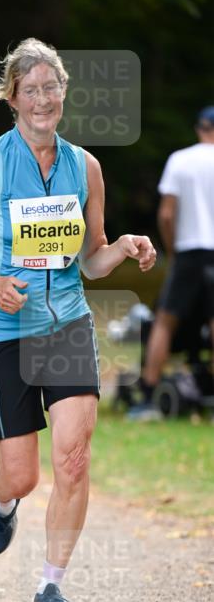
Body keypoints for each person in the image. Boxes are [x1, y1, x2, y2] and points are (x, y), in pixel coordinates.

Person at [0, 38, 156, 602]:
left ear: (63, 93)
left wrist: (123, 247)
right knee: (24, 475)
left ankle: (50, 589)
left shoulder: (85, 167)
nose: (41, 100)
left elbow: (91, 259)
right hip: (2, 330)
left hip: (67, 327)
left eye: (50, 88)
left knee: (74, 460)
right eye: (29, 90)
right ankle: (2, 498)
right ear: (11, 98)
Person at [128, 105, 214, 420]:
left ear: (199, 128)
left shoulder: (181, 160)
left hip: (188, 250)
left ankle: (149, 396)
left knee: (164, 321)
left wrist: (172, 249)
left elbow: (166, 214)